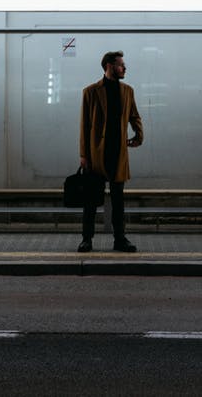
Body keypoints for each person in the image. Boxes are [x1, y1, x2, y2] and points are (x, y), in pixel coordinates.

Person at [77, 50, 143, 253]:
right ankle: (87, 239)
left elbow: (134, 116)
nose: (125, 68)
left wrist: (139, 135)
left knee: (118, 200)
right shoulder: (90, 91)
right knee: (90, 200)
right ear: (109, 66)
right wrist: (83, 155)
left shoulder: (128, 91)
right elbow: (84, 125)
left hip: (118, 152)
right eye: (121, 64)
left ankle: (120, 239)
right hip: (96, 153)